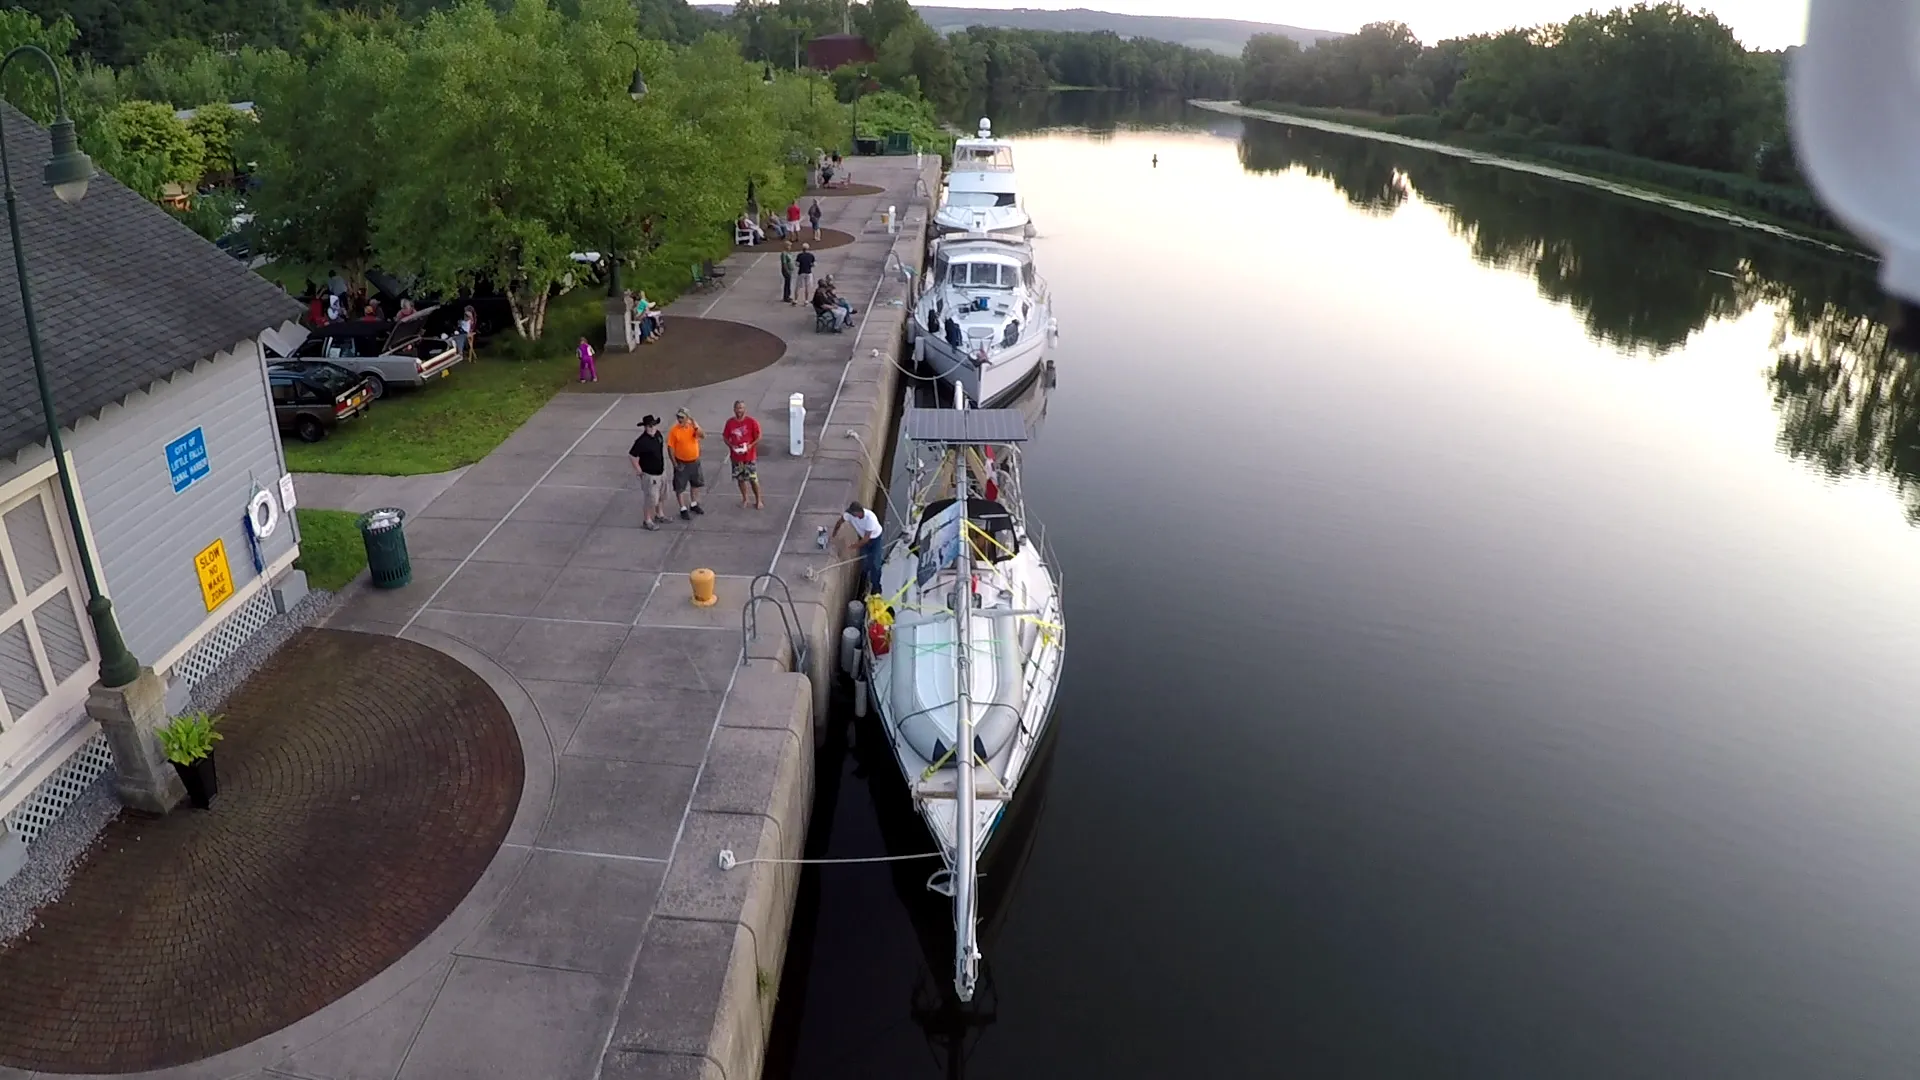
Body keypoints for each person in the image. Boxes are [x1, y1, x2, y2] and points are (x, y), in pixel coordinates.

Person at [833, 501, 884, 593]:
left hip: (875, 539)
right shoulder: (850, 515)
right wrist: (834, 533)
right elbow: (840, 522)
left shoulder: (870, 519)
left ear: (859, 512)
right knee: (864, 562)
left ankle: (876, 586)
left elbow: (866, 539)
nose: (851, 515)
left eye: (853, 513)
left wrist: (852, 547)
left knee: (875, 564)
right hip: (863, 538)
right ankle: (863, 580)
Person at [629, 415, 670, 529]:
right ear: (645, 427)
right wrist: (639, 471)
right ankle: (647, 520)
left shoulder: (658, 435)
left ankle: (660, 514)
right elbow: (632, 456)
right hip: (650, 475)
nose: (652, 428)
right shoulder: (641, 441)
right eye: (649, 426)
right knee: (650, 499)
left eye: (653, 425)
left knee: (662, 495)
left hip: (661, 473)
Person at [723, 400, 763, 509]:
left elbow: (759, 436)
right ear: (734, 409)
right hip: (736, 457)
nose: (739, 410)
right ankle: (745, 498)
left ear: (745, 409)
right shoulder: (730, 423)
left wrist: (750, 446)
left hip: (749, 457)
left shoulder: (751, 422)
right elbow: (725, 437)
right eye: (737, 408)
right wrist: (731, 446)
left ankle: (758, 500)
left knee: (753, 479)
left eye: (741, 408)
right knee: (740, 479)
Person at [667, 408, 705, 519]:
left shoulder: (693, 427)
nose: (679, 419)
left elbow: (702, 435)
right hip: (681, 462)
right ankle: (682, 508)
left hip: (694, 461)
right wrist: (674, 464)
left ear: (687, 418)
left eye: (682, 417)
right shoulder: (674, 431)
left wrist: (696, 425)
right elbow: (670, 448)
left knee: (695, 483)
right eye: (678, 417)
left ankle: (694, 504)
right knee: (680, 486)